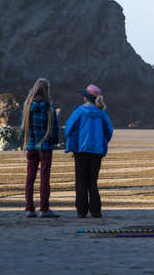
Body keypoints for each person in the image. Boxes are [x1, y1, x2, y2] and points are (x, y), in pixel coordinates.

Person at [65, 84, 113, 218]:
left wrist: (71, 141)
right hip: (97, 151)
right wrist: (102, 142)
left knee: (81, 180)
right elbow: (109, 131)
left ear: (86, 98)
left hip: (81, 150)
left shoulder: (79, 111)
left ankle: (81, 211)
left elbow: (68, 128)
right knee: (93, 181)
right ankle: (96, 211)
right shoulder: (102, 113)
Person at [21, 78, 60, 218]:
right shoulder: (49, 108)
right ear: (47, 91)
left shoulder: (27, 107)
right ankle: (44, 209)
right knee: (44, 179)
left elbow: (22, 129)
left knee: (30, 178)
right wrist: (55, 141)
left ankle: (29, 209)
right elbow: (55, 129)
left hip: (31, 146)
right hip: (45, 147)